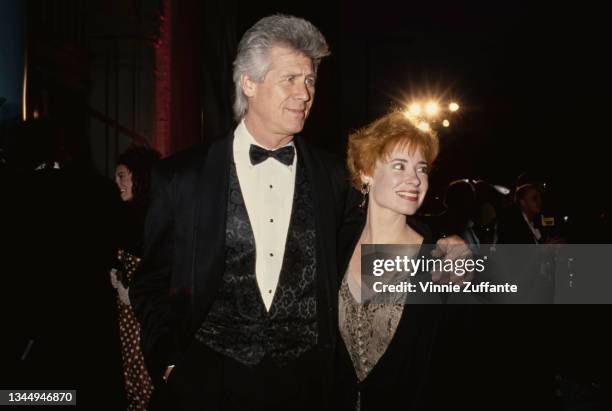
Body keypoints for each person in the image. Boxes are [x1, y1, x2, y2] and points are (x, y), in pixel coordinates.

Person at [130, 14, 359, 411]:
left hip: (308, 389)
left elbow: (366, 260)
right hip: (206, 388)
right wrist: (168, 365)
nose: (305, 93)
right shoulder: (181, 177)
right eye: (289, 78)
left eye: (310, 80)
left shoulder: (336, 177)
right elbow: (151, 285)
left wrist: (460, 258)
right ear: (248, 83)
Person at [335, 110, 473, 410]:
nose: (415, 179)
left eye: (422, 168)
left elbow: (458, 369)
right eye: (400, 165)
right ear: (366, 171)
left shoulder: (439, 261)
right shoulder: (336, 243)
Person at [110, 145, 161, 410]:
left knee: (143, 375)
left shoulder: (155, 218)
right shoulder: (128, 214)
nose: (116, 182)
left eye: (121, 175)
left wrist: (129, 291)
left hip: (146, 315)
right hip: (128, 314)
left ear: (139, 177)